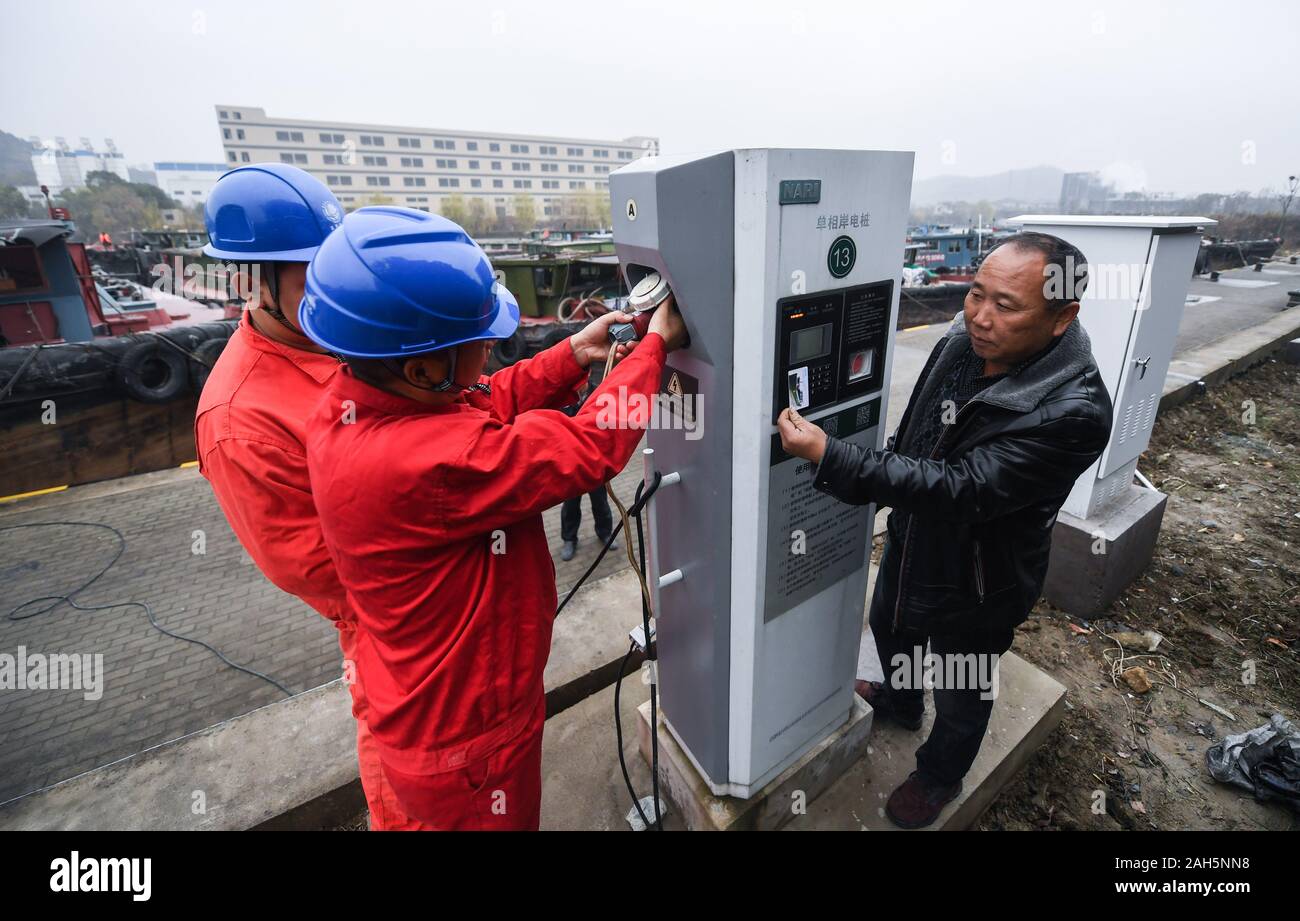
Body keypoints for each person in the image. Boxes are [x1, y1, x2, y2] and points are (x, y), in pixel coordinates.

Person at [300, 206, 688, 830]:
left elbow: (477, 403)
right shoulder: (427, 462)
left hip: (422, 712)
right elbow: (588, 447)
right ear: (421, 367)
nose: (490, 349)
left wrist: (569, 357)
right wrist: (654, 349)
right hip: (469, 742)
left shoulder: (350, 406)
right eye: (478, 343)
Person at [778, 232, 1113, 828]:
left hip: (982, 579)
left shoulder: (1075, 410)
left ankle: (938, 775)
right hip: (916, 541)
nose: (981, 317)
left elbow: (967, 488)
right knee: (889, 626)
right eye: (975, 294)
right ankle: (902, 702)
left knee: (962, 684)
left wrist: (835, 457)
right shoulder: (961, 343)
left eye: (1006, 306)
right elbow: (917, 441)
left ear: (1063, 317)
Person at [194, 164, 427, 830]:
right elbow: (323, 571)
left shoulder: (339, 335)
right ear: (255, 277)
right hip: (394, 630)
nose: (328, 282)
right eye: (307, 269)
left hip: (441, 600)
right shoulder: (240, 417)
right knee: (411, 791)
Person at [558, 365, 615, 561]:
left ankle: (605, 533)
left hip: (594, 461)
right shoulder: (561, 398)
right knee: (570, 505)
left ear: (588, 373)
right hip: (571, 464)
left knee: (600, 501)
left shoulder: (600, 393)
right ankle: (569, 539)